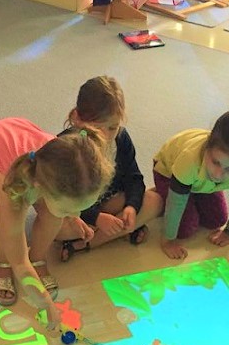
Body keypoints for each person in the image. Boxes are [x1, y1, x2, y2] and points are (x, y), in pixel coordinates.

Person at [0, 117, 114, 330]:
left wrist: (71, 215)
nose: (76, 213)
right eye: (69, 209)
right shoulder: (12, 192)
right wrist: (45, 303)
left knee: (53, 215)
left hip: (13, 136)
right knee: (5, 231)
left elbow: (63, 205)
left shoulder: (61, 162)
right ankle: (0, 264)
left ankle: (38, 258)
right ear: (41, 187)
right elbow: (19, 261)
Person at [56, 76, 163, 261]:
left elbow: (134, 179)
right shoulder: (67, 147)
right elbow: (60, 202)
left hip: (110, 202)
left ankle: (86, 243)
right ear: (78, 119)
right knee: (56, 228)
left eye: (112, 127)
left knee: (155, 201)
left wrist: (131, 207)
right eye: (97, 128)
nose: (106, 136)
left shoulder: (121, 138)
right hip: (76, 212)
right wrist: (96, 218)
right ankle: (114, 233)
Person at [153, 110, 229, 259]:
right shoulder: (189, 159)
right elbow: (176, 204)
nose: (218, 174)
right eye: (215, 162)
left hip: (203, 184)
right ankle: (162, 192)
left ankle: (190, 192)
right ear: (208, 146)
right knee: (186, 228)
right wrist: (168, 241)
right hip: (168, 172)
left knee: (217, 220)